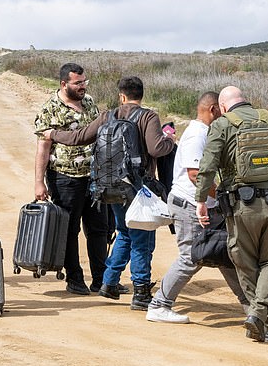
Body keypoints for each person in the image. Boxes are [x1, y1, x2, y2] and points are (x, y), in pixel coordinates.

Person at [44, 76, 176, 310]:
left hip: (109, 187)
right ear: (140, 95)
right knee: (142, 241)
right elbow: (156, 148)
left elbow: (79, 138)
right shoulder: (148, 117)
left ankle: (109, 282)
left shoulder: (108, 115)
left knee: (125, 232)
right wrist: (169, 140)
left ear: (121, 96)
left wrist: (53, 134)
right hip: (137, 188)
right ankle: (142, 292)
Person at [195, 86, 268, 343]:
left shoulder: (223, 124)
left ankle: (260, 316)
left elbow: (208, 165)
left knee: (245, 262)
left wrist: (201, 200)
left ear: (223, 107)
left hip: (241, 207)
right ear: (245, 100)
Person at [146, 92, 249, 323]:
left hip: (200, 205)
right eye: (224, 111)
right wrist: (222, 195)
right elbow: (195, 175)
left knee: (223, 254)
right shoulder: (197, 135)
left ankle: (250, 303)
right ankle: (159, 305)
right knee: (191, 257)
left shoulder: (204, 133)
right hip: (189, 205)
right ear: (214, 109)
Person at [34, 63, 112, 296]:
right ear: (63, 84)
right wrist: (39, 182)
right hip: (65, 178)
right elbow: (43, 147)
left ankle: (101, 279)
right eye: (77, 83)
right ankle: (75, 278)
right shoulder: (50, 108)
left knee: (99, 229)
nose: (82, 86)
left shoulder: (89, 102)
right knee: (69, 230)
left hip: (94, 177)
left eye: (84, 81)